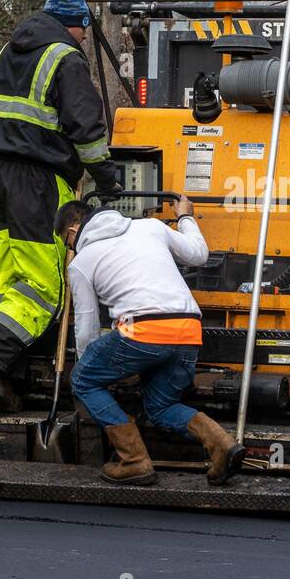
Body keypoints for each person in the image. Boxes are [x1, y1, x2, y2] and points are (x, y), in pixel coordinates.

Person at [0, 0, 122, 413]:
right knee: (45, 288)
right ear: (78, 25)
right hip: (36, 179)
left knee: (1, 282)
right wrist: (107, 179)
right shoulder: (66, 58)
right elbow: (86, 131)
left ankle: (2, 379)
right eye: (85, 32)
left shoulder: (7, 51)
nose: (85, 39)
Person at [58, 195, 245, 487]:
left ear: (72, 230)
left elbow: (86, 328)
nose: (71, 249)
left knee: (83, 379)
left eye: (67, 244)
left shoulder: (81, 263)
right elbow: (199, 254)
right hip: (188, 329)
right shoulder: (150, 227)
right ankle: (222, 444)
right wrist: (184, 217)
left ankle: (134, 461)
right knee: (160, 407)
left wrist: (95, 374)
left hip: (142, 332)